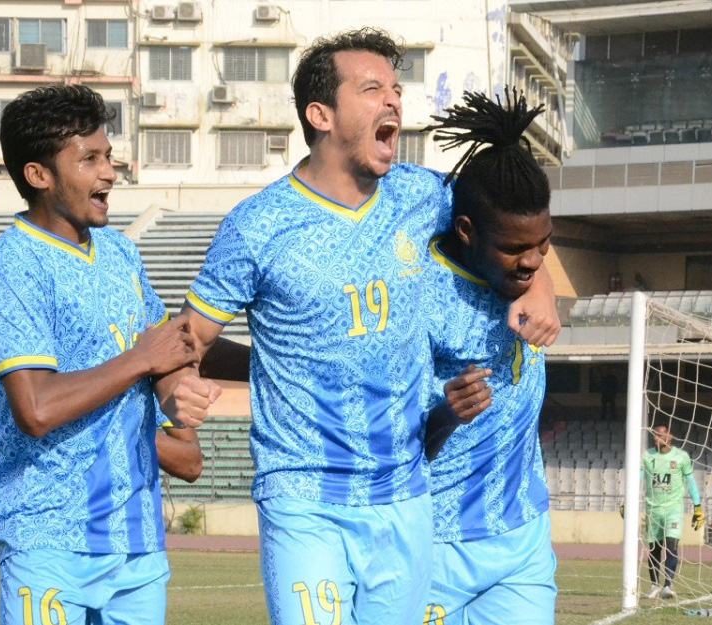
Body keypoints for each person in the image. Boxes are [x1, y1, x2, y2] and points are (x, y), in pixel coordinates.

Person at [159, 28, 559, 625]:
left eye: (396, 89)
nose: (393, 99)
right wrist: (174, 385)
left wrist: (541, 286)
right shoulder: (256, 227)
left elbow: (510, 223)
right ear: (320, 114)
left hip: (405, 495)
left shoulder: (422, 196)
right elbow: (185, 339)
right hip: (304, 496)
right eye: (372, 89)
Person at [0, 84, 228, 625]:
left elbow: (168, 346)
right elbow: (36, 408)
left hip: (135, 539)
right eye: (89, 159)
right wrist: (142, 361)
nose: (109, 172)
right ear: (38, 175)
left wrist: (181, 387)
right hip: (48, 534)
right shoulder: (13, 266)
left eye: (108, 156)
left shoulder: (120, 251)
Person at [419, 87, 557, 625]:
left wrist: (540, 281)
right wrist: (445, 413)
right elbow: (388, 437)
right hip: (435, 541)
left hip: (522, 537)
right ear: (466, 230)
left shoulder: (523, 272)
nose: (531, 261)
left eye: (543, 245)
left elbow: (527, 246)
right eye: (514, 249)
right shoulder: (421, 292)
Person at [640, 424, 703, 600]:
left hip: (673, 508)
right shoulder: (646, 456)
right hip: (653, 509)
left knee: (671, 545)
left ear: (669, 436)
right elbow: (638, 478)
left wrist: (697, 508)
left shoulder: (681, 457)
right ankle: (654, 585)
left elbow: (690, 482)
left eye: (660, 435)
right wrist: (627, 500)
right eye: (654, 435)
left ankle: (668, 585)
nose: (656, 438)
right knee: (654, 549)